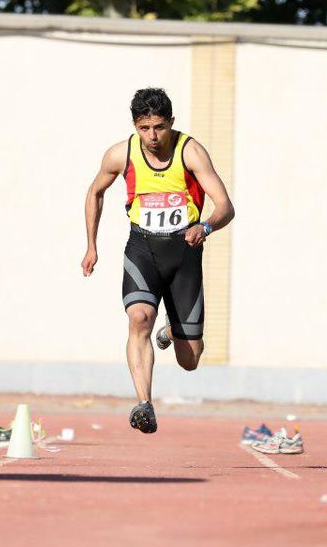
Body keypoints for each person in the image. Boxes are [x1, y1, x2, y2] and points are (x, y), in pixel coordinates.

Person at [81, 88, 235, 434]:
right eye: (145, 127)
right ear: (135, 125)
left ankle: (172, 329)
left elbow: (226, 206)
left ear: (171, 123)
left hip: (184, 255)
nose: (152, 136)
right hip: (143, 249)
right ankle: (144, 404)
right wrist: (91, 245)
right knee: (139, 317)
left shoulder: (190, 151)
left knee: (190, 360)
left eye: (160, 127)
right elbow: (95, 192)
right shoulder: (121, 154)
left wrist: (205, 226)